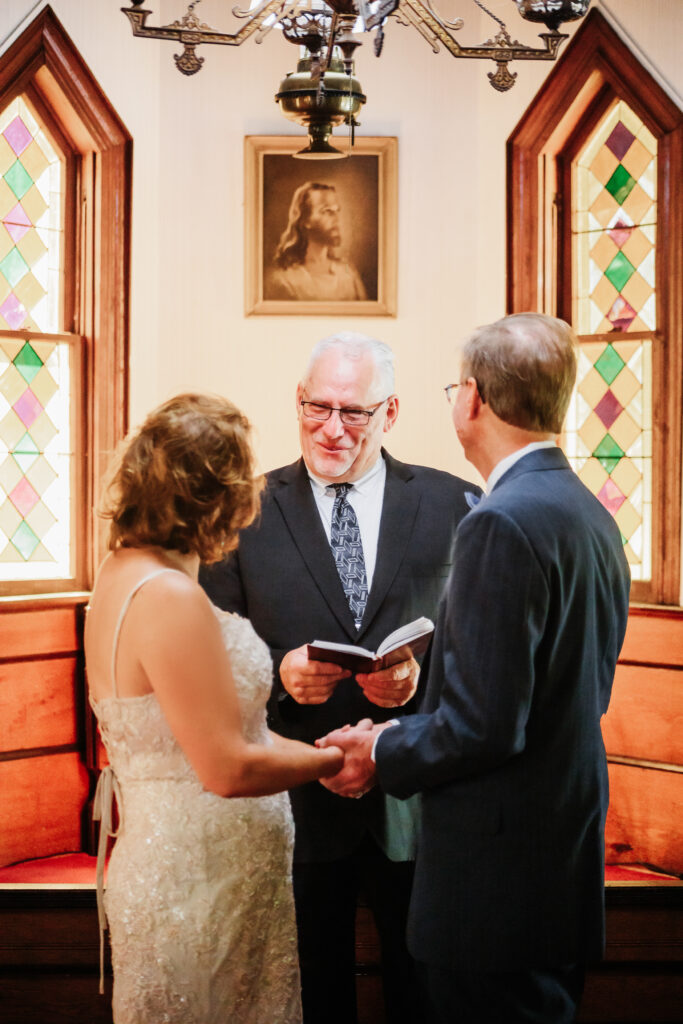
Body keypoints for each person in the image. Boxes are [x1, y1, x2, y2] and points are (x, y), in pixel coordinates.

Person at [318, 313, 632, 1024]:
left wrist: (381, 747)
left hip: (494, 876)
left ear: (474, 400)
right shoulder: (588, 513)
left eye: (456, 387)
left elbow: (484, 724)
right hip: (557, 848)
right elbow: (575, 690)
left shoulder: (499, 521)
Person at [200, 332, 480, 1024]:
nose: (331, 428)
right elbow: (206, 661)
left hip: (413, 801)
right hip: (292, 803)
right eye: (316, 407)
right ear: (296, 403)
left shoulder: (456, 504)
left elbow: (486, 656)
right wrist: (277, 675)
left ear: (389, 413)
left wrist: (418, 681)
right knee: (310, 996)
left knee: (424, 997)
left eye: (352, 412)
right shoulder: (240, 513)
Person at [84, 393, 343, 1024]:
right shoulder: (170, 595)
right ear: (213, 495)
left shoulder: (120, 570)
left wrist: (317, 752)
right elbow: (225, 768)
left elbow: (221, 732)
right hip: (197, 883)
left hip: (190, 867)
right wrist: (333, 761)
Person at [266, 182, 368, 302]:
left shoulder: (348, 273)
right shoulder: (284, 280)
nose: (336, 219)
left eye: (336, 211)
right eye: (326, 211)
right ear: (305, 220)